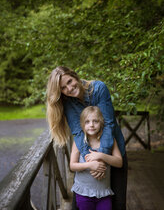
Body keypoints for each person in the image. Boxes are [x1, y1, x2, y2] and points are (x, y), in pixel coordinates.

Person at [46, 66, 127, 210]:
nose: (69, 88)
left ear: (75, 76)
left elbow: (108, 124)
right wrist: (91, 160)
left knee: (118, 203)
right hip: (88, 161)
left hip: (113, 152)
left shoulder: (99, 88)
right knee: (80, 204)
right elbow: (78, 132)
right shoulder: (68, 102)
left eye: (70, 81)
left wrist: (100, 157)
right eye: (63, 88)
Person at [70, 106, 123, 210]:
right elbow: (72, 165)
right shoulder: (78, 142)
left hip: (104, 193)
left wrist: (101, 155)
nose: (92, 125)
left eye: (95, 121)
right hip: (83, 193)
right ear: (82, 124)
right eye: (87, 122)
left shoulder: (109, 140)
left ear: (101, 123)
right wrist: (90, 164)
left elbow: (119, 162)